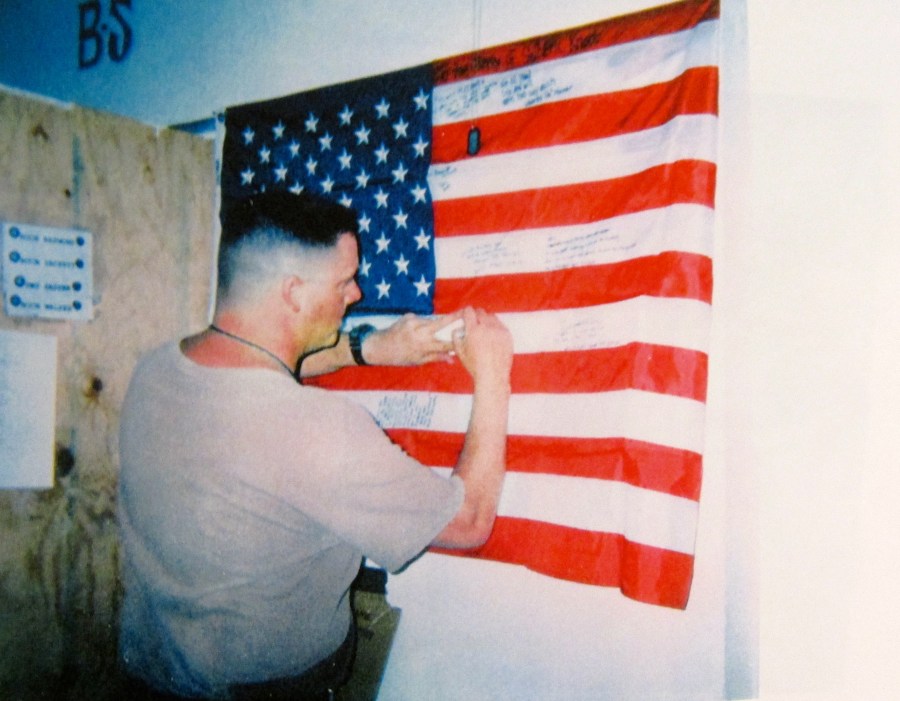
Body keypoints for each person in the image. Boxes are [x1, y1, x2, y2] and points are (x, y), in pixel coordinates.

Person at [117, 191, 513, 700]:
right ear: (293, 293)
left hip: (152, 679)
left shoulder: (157, 369)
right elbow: (469, 521)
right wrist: (494, 374)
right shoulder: (321, 428)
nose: (356, 294)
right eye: (345, 280)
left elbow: (257, 366)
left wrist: (369, 349)